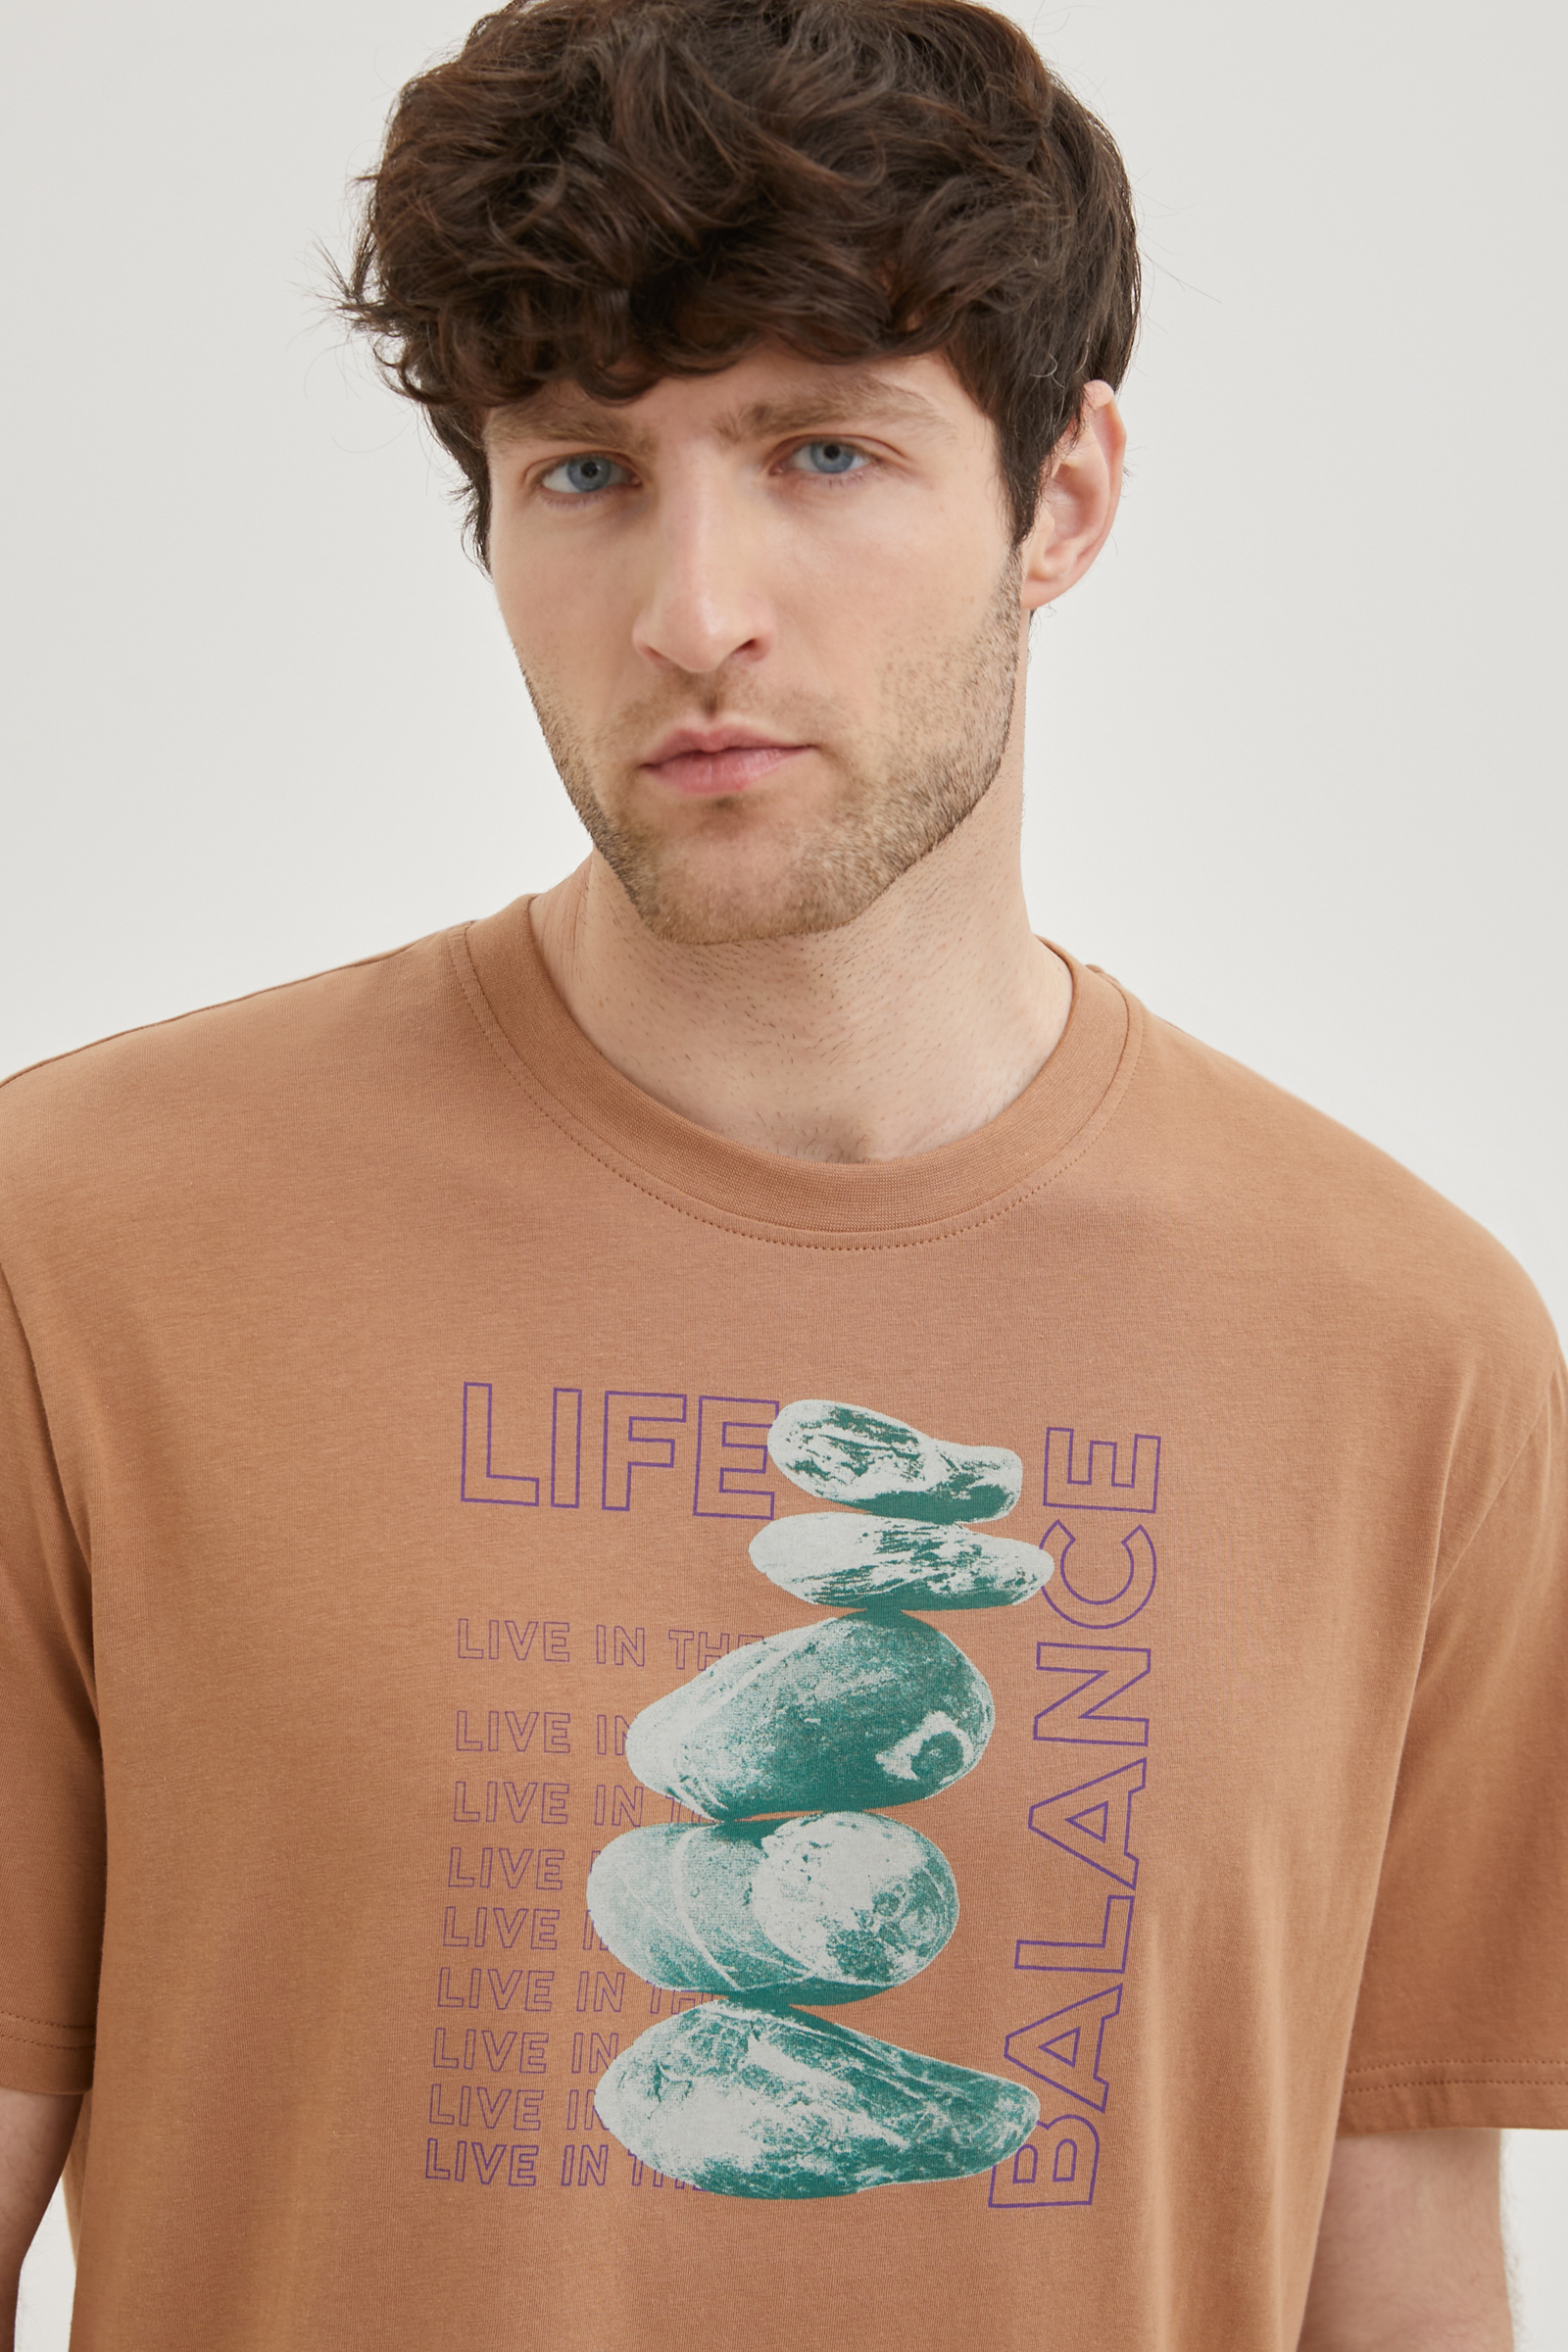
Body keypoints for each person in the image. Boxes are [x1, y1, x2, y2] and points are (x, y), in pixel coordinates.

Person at [1, 0, 1562, 2342]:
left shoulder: (1403, 1351)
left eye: (823, 452)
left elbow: (1396, 2263)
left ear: (1058, 497)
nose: (690, 610)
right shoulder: (84, 1250)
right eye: (582, 472)